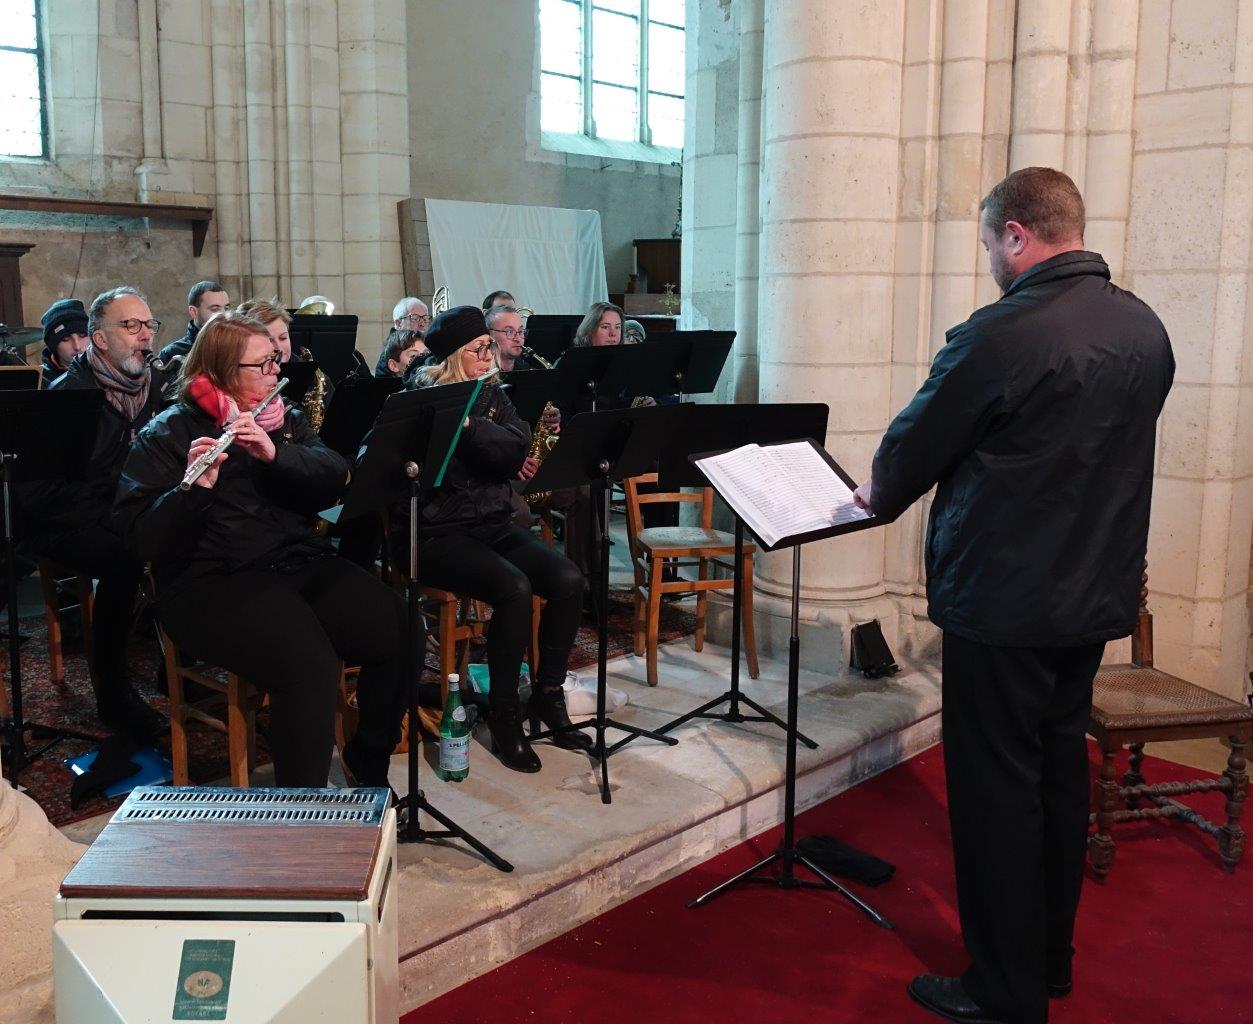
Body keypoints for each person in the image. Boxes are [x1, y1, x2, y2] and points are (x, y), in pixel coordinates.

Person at [852, 167, 1174, 1024]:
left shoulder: (1002, 332)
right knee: (1058, 775)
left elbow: (914, 446)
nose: (991, 257)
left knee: (996, 790)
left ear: (1017, 235)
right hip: (1090, 597)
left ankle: (1002, 989)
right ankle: (1050, 960)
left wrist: (874, 495)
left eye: (991, 241)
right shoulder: (1143, 326)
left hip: (1003, 603)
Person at [112, 311, 410, 789]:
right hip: (210, 582)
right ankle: (299, 813)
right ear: (225, 371)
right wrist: (192, 491)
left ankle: (367, 759)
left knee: (399, 624)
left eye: (275, 360)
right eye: (264, 365)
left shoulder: (282, 418)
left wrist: (275, 455)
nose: (277, 372)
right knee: (310, 665)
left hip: (291, 563)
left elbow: (335, 476)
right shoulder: (167, 432)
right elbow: (139, 539)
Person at [407, 306, 592, 770]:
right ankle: (505, 716)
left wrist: (469, 424)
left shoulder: (491, 395)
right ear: (452, 358)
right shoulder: (422, 399)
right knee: (514, 589)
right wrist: (458, 419)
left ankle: (548, 696)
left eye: (489, 346)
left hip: (490, 523)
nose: (489, 355)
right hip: (437, 532)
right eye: (479, 349)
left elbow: (517, 448)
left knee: (569, 579)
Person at [19, 286, 175, 739]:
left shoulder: (157, 386)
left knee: (189, 530)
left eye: (149, 325)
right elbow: (40, 495)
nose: (145, 336)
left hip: (125, 506)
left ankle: (177, 668)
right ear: (100, 339)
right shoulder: (67, 397)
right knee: (126, 559)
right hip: (62, 519)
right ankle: (113, 693)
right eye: (132, 326)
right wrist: (125, 495)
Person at [153, 280, 230, 367]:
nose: (223, 315)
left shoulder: (238, 347)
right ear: (193, 311)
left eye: (226, 308)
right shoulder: (171, 354)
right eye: (215, 309)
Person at [39, 298, 92, 379]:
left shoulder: (104, 372)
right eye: (66, 339)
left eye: (82, 335)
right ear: (53, 346)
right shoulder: (40, 380)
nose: (77, 346)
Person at [376, 298, 430, 376]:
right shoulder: (388, 354)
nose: (422, 324)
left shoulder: (429, 342)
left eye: (425, 318)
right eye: (415, 318)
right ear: (398, 323)